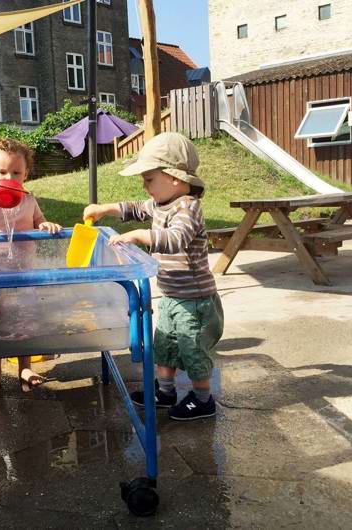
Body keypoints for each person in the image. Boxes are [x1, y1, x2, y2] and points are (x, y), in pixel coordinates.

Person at [83, 132, 224, 421]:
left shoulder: (188, 207)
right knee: (165, 345)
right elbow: (134, 208)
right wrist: (104, 209)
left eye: (149, 179)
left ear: (173, 177)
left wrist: (138, 236)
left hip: (194, 301)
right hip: (173, 295)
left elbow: (176, 239)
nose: (145, 186)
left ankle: (202, 399)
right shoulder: (160, 203)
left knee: (192, 347)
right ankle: (166, 392)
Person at [0, 138, 61, 393]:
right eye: (2, 172)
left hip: (24, 270)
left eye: (16, 172)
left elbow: (38, 219)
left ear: (26, 174)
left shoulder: (28, 197)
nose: (9, 177)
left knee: (23, 317)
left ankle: (24, 367)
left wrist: (44, 225)